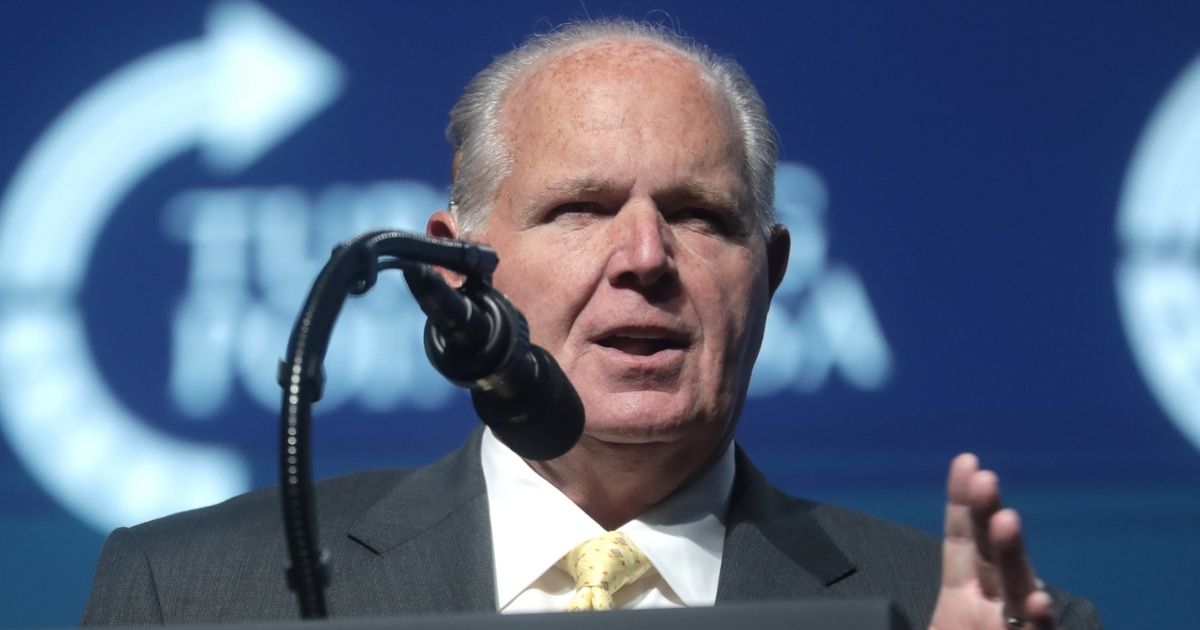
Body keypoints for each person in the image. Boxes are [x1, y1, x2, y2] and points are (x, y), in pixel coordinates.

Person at [83, 19, 1100, 629]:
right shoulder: (195, 598)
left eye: (700, 216)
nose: (646, 259)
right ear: (453, 271)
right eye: (580, 209)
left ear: (771, 270)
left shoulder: (952, 615)